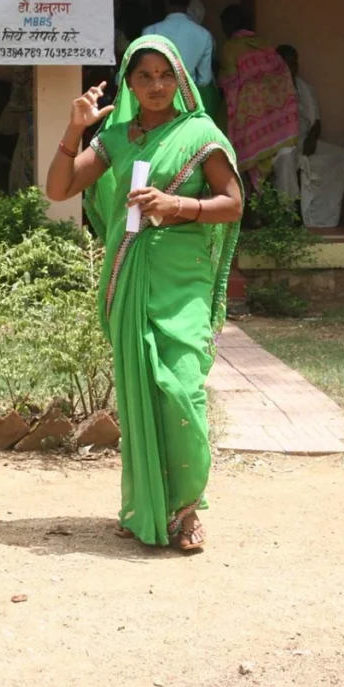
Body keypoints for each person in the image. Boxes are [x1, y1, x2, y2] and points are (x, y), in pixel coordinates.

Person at [45, 36, 244, 551]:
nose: (156, 86)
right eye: (144, 76)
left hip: (183, 276)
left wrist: (175, 204)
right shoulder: (115, 138)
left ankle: (187, 507)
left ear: (180, 79)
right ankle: (153, 506)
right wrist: (75, 128)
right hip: (131, 270)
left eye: (165, 75)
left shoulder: (200, 133)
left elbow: (232, 203)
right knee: (140, 393)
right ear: (130, 83)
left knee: (181, 385)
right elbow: (59, 189)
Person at [217, 4, 300, 192]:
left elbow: (229, 86)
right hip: (278, 125)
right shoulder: (267, 46)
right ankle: (283, 214)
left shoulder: (230, 49)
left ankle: (253, 213)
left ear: (230, 24)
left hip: (251, 124)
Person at [272, 45, 344, 228]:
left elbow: (316, 121)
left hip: (305, 140)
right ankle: (289, 212)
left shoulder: (304, 88)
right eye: (287, 64)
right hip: (280, 143)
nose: (291, 68)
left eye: (294, 63)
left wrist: (312, 139)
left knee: (342, 156)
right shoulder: (269, 89)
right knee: (286, 157)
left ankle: (320, 213)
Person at [143, 0, 215, 90]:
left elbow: (144, 69)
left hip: (157, 96)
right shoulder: (204, 35)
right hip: (187, 100)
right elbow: (204, 80)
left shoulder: (150, 32)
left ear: (165, 1)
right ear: (190, 2)